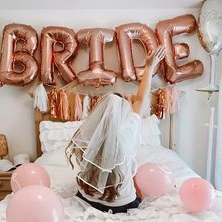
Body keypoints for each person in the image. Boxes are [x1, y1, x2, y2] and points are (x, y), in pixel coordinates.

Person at [66, 46, 166, 214]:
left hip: (88, 199)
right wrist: (149, 66)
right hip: (121, 204)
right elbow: (141, 99)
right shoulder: (129, 131)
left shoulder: (88, 133)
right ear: (124, 114)